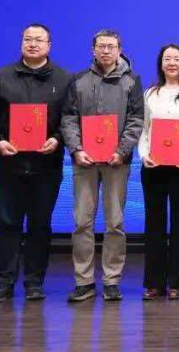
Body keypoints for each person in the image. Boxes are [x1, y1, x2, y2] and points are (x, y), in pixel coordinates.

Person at [0, 24, 72, 303]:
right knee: (7, 223)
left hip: (47, 165)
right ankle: (3, 283)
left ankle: (34, 283)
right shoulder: (2, 76)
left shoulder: (65, 79)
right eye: (27, 39)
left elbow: (71, 118)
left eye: (38, 40)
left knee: (40, 224)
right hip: (8, 164)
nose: (32, 44)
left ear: (49, 45)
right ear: (21, 43)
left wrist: (57, 139)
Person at [60, 29, 144, 304]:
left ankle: (111, 280)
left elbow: (136, 120)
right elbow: (69, 118)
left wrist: (122, 151)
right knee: (82, 222)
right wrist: (76, 149)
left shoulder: (132, 81)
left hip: (116, 162)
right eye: (101, 46)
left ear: (120, 50)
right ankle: (83, 281)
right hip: (84, 161)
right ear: (93, 49)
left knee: (114, 222)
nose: (106, 51)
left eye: (111, 46)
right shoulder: (78, 80)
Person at [137, 43, 179, 301]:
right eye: (167, 58)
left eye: (176, 58)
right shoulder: (149, 93)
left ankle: (176, 282)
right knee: (154, 224)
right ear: (161, 63)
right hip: (153, 167)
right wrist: (144, 154)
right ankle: (154, 283)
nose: (172, 63)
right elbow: (143, 129)